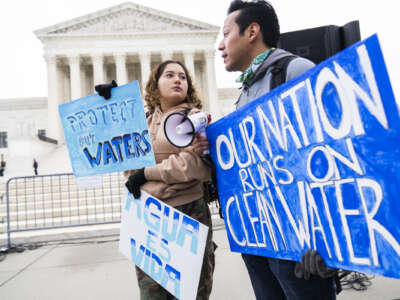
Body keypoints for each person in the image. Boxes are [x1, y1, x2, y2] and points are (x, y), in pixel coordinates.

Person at [213, 1, 337, 299]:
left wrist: (328, 241)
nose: (220, 45)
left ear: (252, 31)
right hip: (260, 243)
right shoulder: (244, 93)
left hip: (302, 247)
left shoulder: (295, 71)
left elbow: (333, 155)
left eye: (226, 33)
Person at [97, 60, 216, 300]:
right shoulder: (145, 121)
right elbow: (121, 153)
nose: (177, 80)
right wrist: (112, 102)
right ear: (155, 84)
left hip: (187, 213)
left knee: (192, 292)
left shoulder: (196, 118)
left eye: (183, 77)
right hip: (148, 217)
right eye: (170, 75)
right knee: (152, 293)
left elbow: (195, 166)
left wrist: (147, 174)